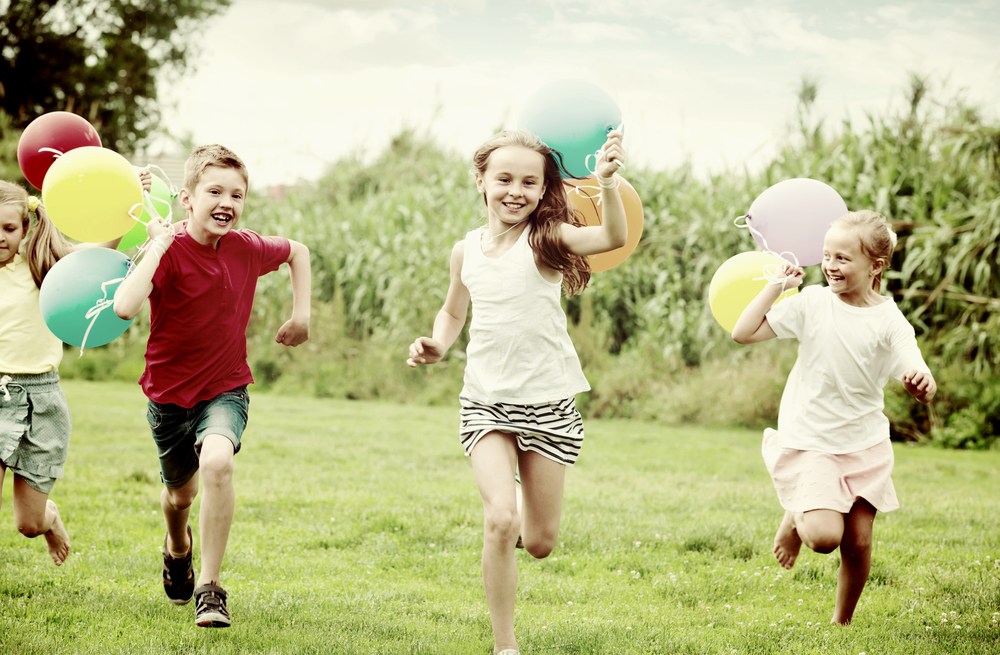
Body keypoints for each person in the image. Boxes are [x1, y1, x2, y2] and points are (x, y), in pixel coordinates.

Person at [406, 129, 626, 654]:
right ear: (481, 181)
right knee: (501, 518)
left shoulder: (547, 240)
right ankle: (506, 647)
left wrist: (609, 184)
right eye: (503, 178)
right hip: (485, 401)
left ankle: (518, 532)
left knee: (542, 542)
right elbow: (454, 309)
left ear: (543, 188)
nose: (515, 190)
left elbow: (611, 238)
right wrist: (438, 343)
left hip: (549, 404)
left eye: (530, 181)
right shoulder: (466, 251)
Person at [114, 145, 312, 628]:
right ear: (187, 198)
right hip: (168, 398)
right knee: (179, 496)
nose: (227, 201)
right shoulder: (168, 249)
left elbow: (298, 252)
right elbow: (124, 306)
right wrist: (158, 243)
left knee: (218, 462)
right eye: (215, 191)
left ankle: (210, 586)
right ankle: (177, 545)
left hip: (225, 388)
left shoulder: (246, 246)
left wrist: (302, 315)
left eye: (237, 194)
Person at [731, 209, 936, 625]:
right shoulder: (812, 304)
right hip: (812, 441)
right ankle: (796, 513)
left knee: (858, 543)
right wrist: (777, 287)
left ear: (875, 266)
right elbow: (744, 331)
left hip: (864, 444)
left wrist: (922, 382)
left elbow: (914, 364)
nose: (829, 265)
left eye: (842, 258)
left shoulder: (889, 320)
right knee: (825, 538)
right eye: (826, 255)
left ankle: (841, 623)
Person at [0, 180, 125, 566]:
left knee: (28, 524)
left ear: (25, 228)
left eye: (8, 228)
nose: (0, 237)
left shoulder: (43, 265)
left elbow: (99, 255)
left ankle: (49, 518)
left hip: (42, 399)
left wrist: (124, 201)